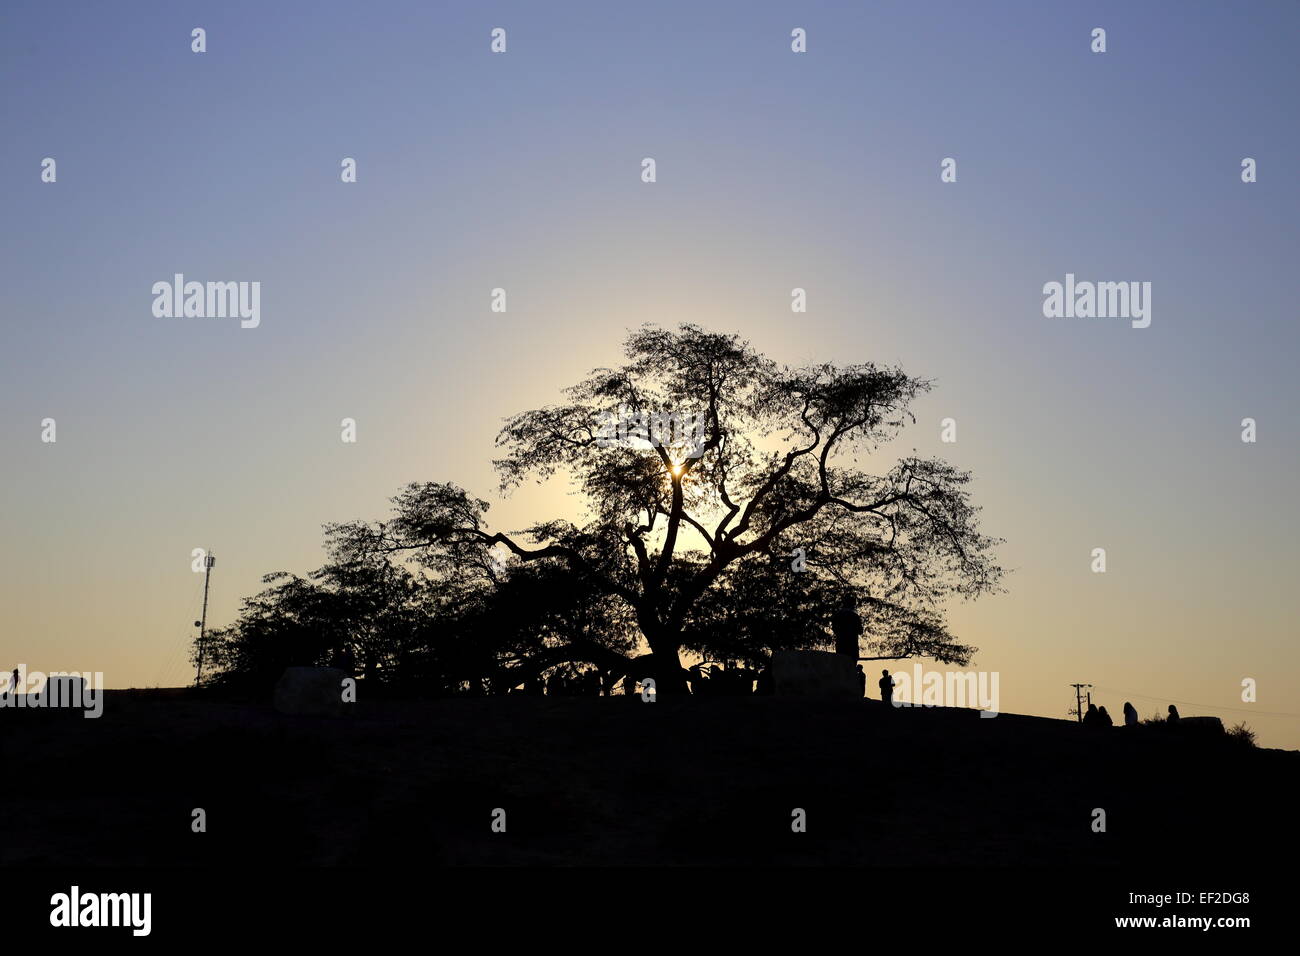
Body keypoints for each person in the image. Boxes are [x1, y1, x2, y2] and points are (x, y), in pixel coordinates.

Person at [831, 595, 863, 660]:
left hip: (841, 646)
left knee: (841, 665)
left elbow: (834, 629)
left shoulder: (838, 615)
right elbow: (860, 631)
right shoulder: (855, 616)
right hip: (852, 647)